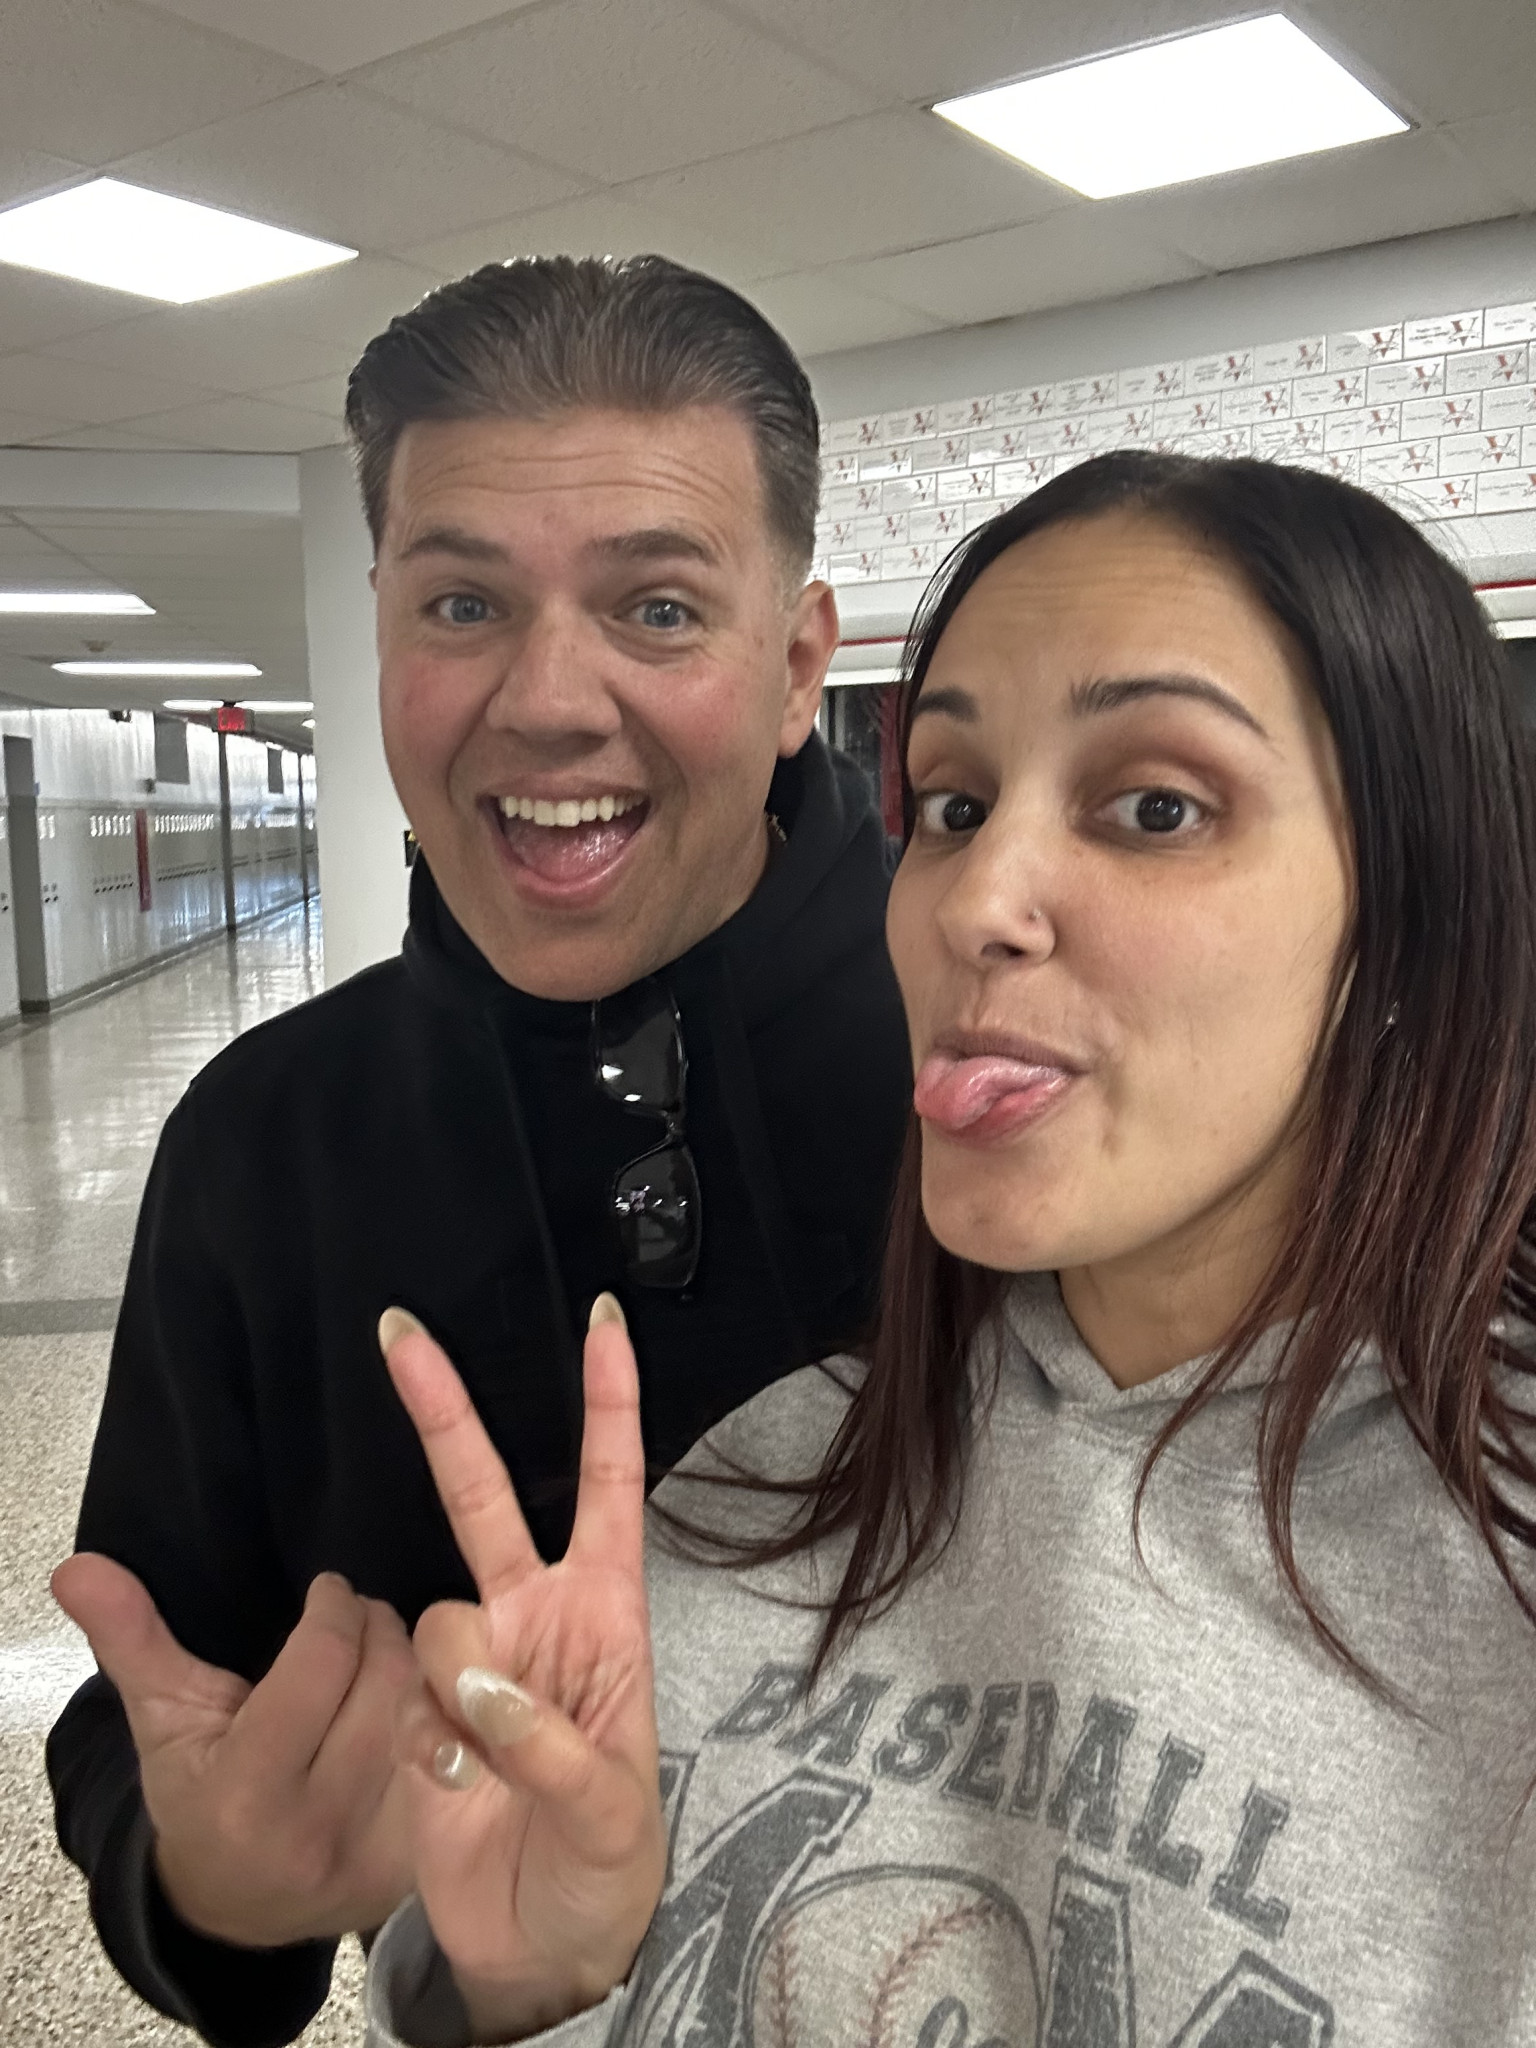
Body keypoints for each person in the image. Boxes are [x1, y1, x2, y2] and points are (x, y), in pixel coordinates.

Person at [366, 450, 1536, 2048]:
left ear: (1406, 930)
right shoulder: (763, 1476)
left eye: (1156, 807)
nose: (978, 898)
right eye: (955, 806)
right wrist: (537, 1987)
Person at [45, 255, 910, 2048]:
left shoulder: (1005, 1060)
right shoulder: (264, 1143)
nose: (547, 699)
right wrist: (205, 1881)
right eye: (462, 604)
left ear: (795, 664)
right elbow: (157, 1712)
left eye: (657, 608)